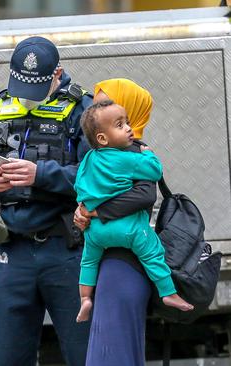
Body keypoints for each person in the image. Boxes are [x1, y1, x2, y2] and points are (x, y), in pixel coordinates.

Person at [0, 36, 92, 366]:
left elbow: (99, 178)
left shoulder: (82, 110)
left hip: (66, 251)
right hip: (8, 251)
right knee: (9, 358)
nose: (25, 98)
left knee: (85, 355)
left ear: (58, 74)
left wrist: (40, 174)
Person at [73, 78, 180, 366]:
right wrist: (82, 212)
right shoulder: (108, 153)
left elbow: (144, 196)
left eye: (104, 104)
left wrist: (97, 212)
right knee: (112, 348)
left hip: (125, 264)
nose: (97, 109)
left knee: (113, 351)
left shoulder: (135, 151)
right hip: (111, 262)